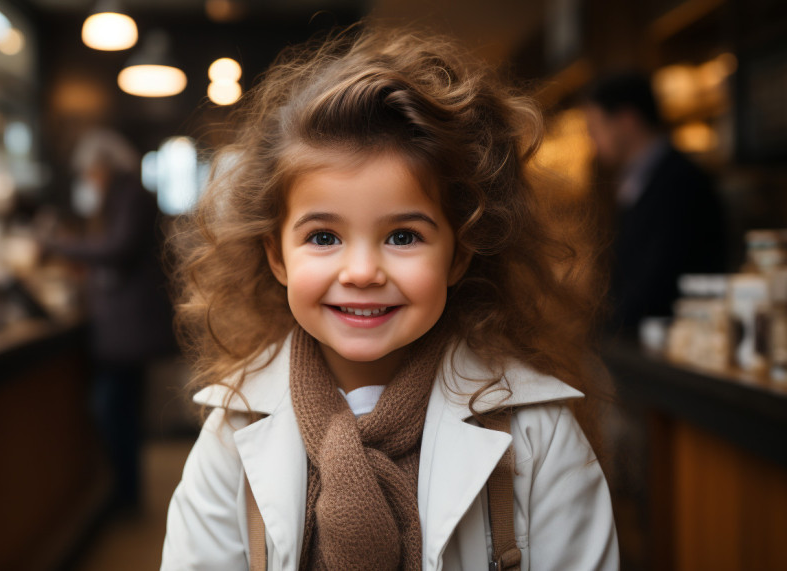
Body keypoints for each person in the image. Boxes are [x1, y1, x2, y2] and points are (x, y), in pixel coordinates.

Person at [162, 25, 618, 570]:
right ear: (277, 256)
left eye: (403, 236)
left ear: (459, 253)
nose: (360, 272)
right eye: (323, 237)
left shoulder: (538, 435)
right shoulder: (232, 434)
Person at [43, 129, 175, 514]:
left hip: (127, 327)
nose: (88, 179)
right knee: (122, 408)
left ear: (103, 166)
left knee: (110, 407)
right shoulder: (124, 194)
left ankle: (124, 495)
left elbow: (117, 249)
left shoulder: (130, 194)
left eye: (89, 171)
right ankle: (125, 492)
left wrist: (59, 246)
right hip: (125, 324)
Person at [584, 72, 727, 333]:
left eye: (595, 128)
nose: (592, 141)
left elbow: (657, 279)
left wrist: (604, 327)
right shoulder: (640, 178)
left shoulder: (680, 181)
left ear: (627, 121)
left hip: (682, 342)